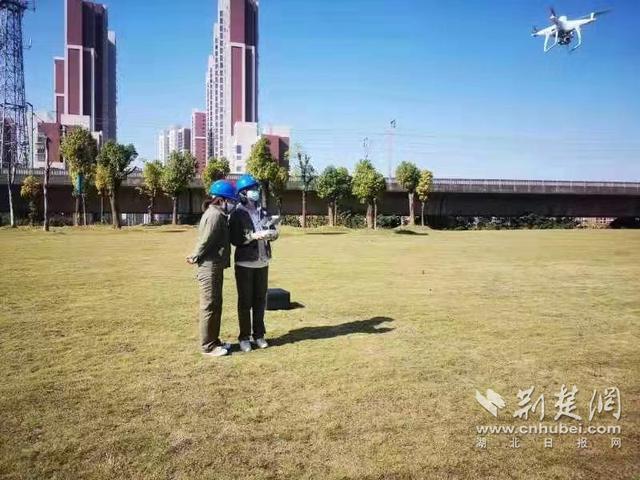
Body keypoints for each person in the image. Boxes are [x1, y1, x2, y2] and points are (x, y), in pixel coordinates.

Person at [187, 179, 238, 357]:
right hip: (209, 267)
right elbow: (205, 240)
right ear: (221, 200)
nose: (232, 204)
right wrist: (195, 255)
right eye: (230, 200)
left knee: (216, 304)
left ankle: (214, 341)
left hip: (215, 266)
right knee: (209, 306)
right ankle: (208, 346)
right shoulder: (214, 215)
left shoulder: (218, 214)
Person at [229, 174, 279, 352]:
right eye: (251, 189)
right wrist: (252, 236)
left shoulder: (262, 211)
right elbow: (234, 239)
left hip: (262, 262)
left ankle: (259, 335)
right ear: (243, 193)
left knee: (259, 301)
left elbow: (271, 228)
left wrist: (272, 234)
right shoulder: (237, 214)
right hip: (245, 264)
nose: (255, 192)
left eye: (256, 189)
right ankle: (244, 337)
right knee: (245, 302)